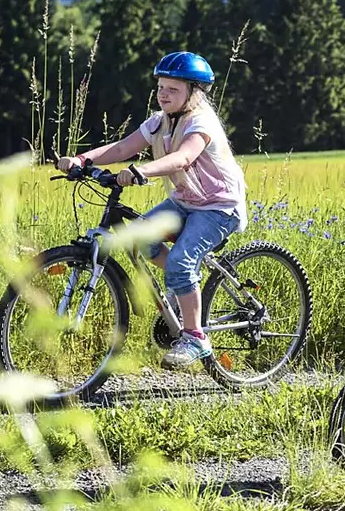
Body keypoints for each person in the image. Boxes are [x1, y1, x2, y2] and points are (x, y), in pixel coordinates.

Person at [55, 51, 247, 369]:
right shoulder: (159, 122)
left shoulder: (201, 122)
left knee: (182, 264)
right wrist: (82, 159)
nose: (163, 94)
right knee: (141, 239)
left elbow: (183, 158)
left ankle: (195, 337)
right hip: (185, 201)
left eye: (173, 89)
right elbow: (122, 147)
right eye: (160, 87)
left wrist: (144, 170)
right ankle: (182, 287)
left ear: (193, 93)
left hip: (218, 207)